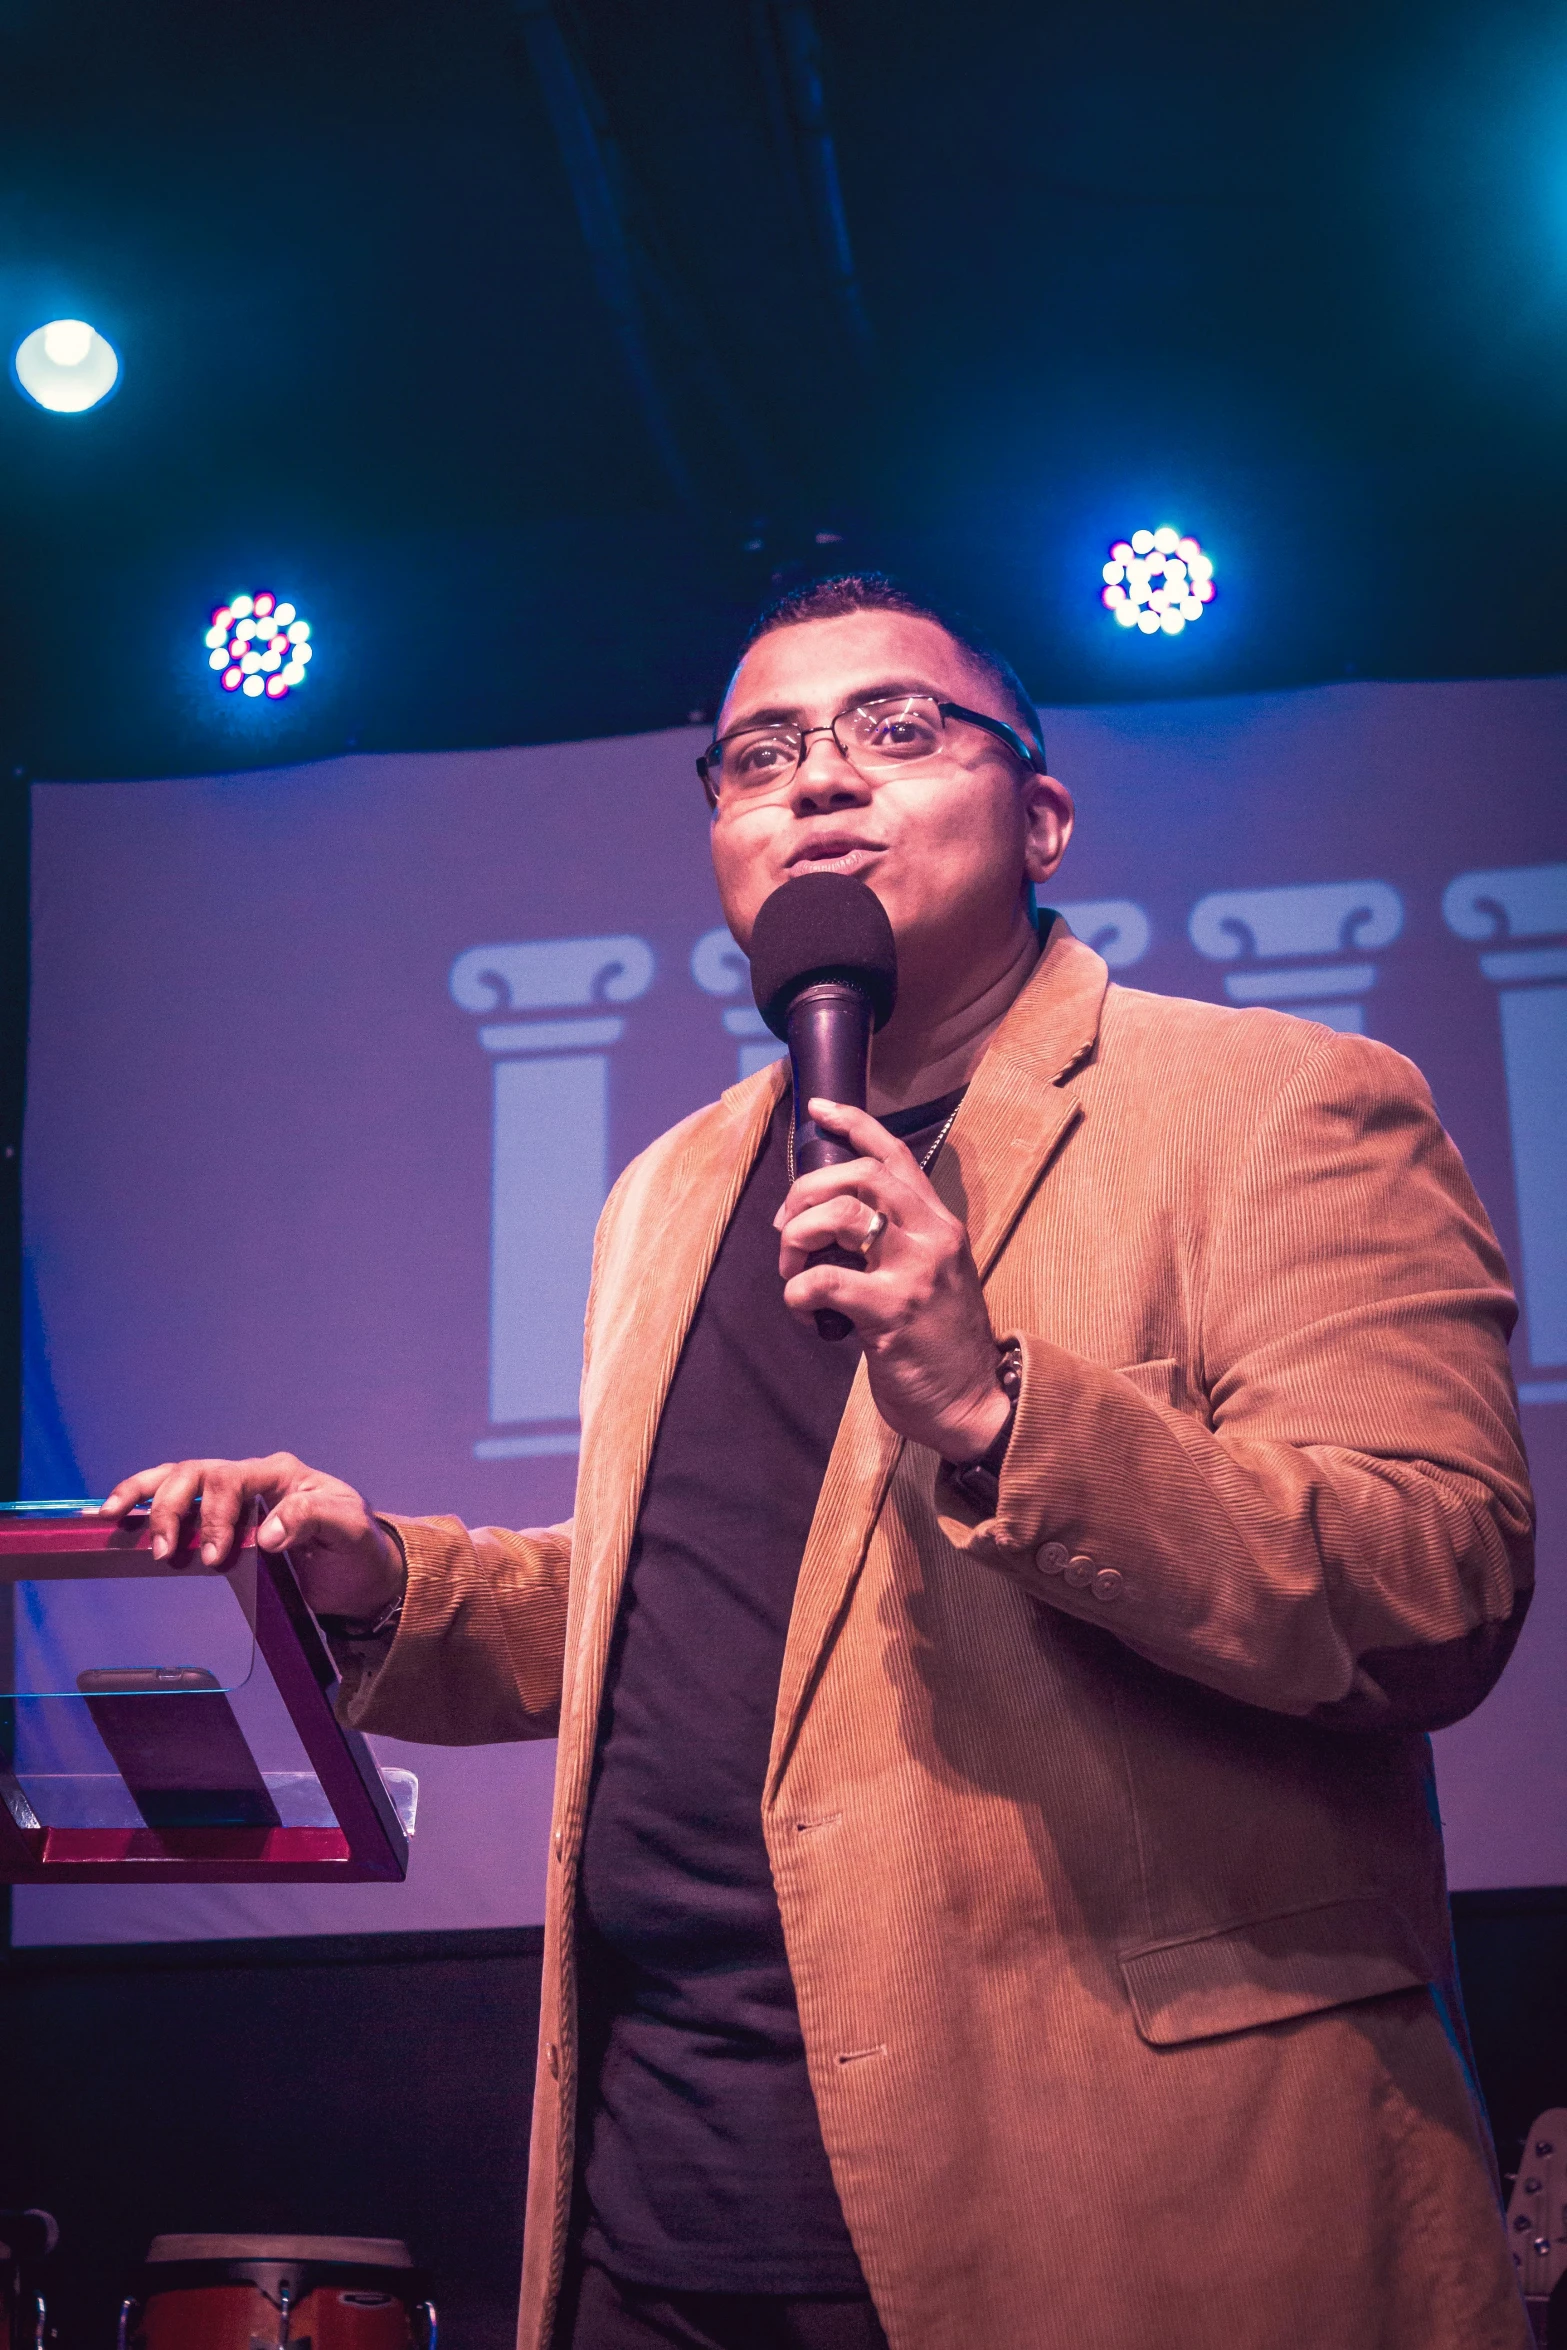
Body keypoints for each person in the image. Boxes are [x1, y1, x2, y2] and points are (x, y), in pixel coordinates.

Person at [100, 574, 1535, 2350]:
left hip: (1110, 2185)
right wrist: (379, 1577)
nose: (820, 781)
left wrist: (1002, 1407)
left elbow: (1432, 1584)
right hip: (666, 2197)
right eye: (761, 752)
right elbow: (697, 1608)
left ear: (1044, 815)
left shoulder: (1281, 1103)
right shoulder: (673, 1184)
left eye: (898, 730)